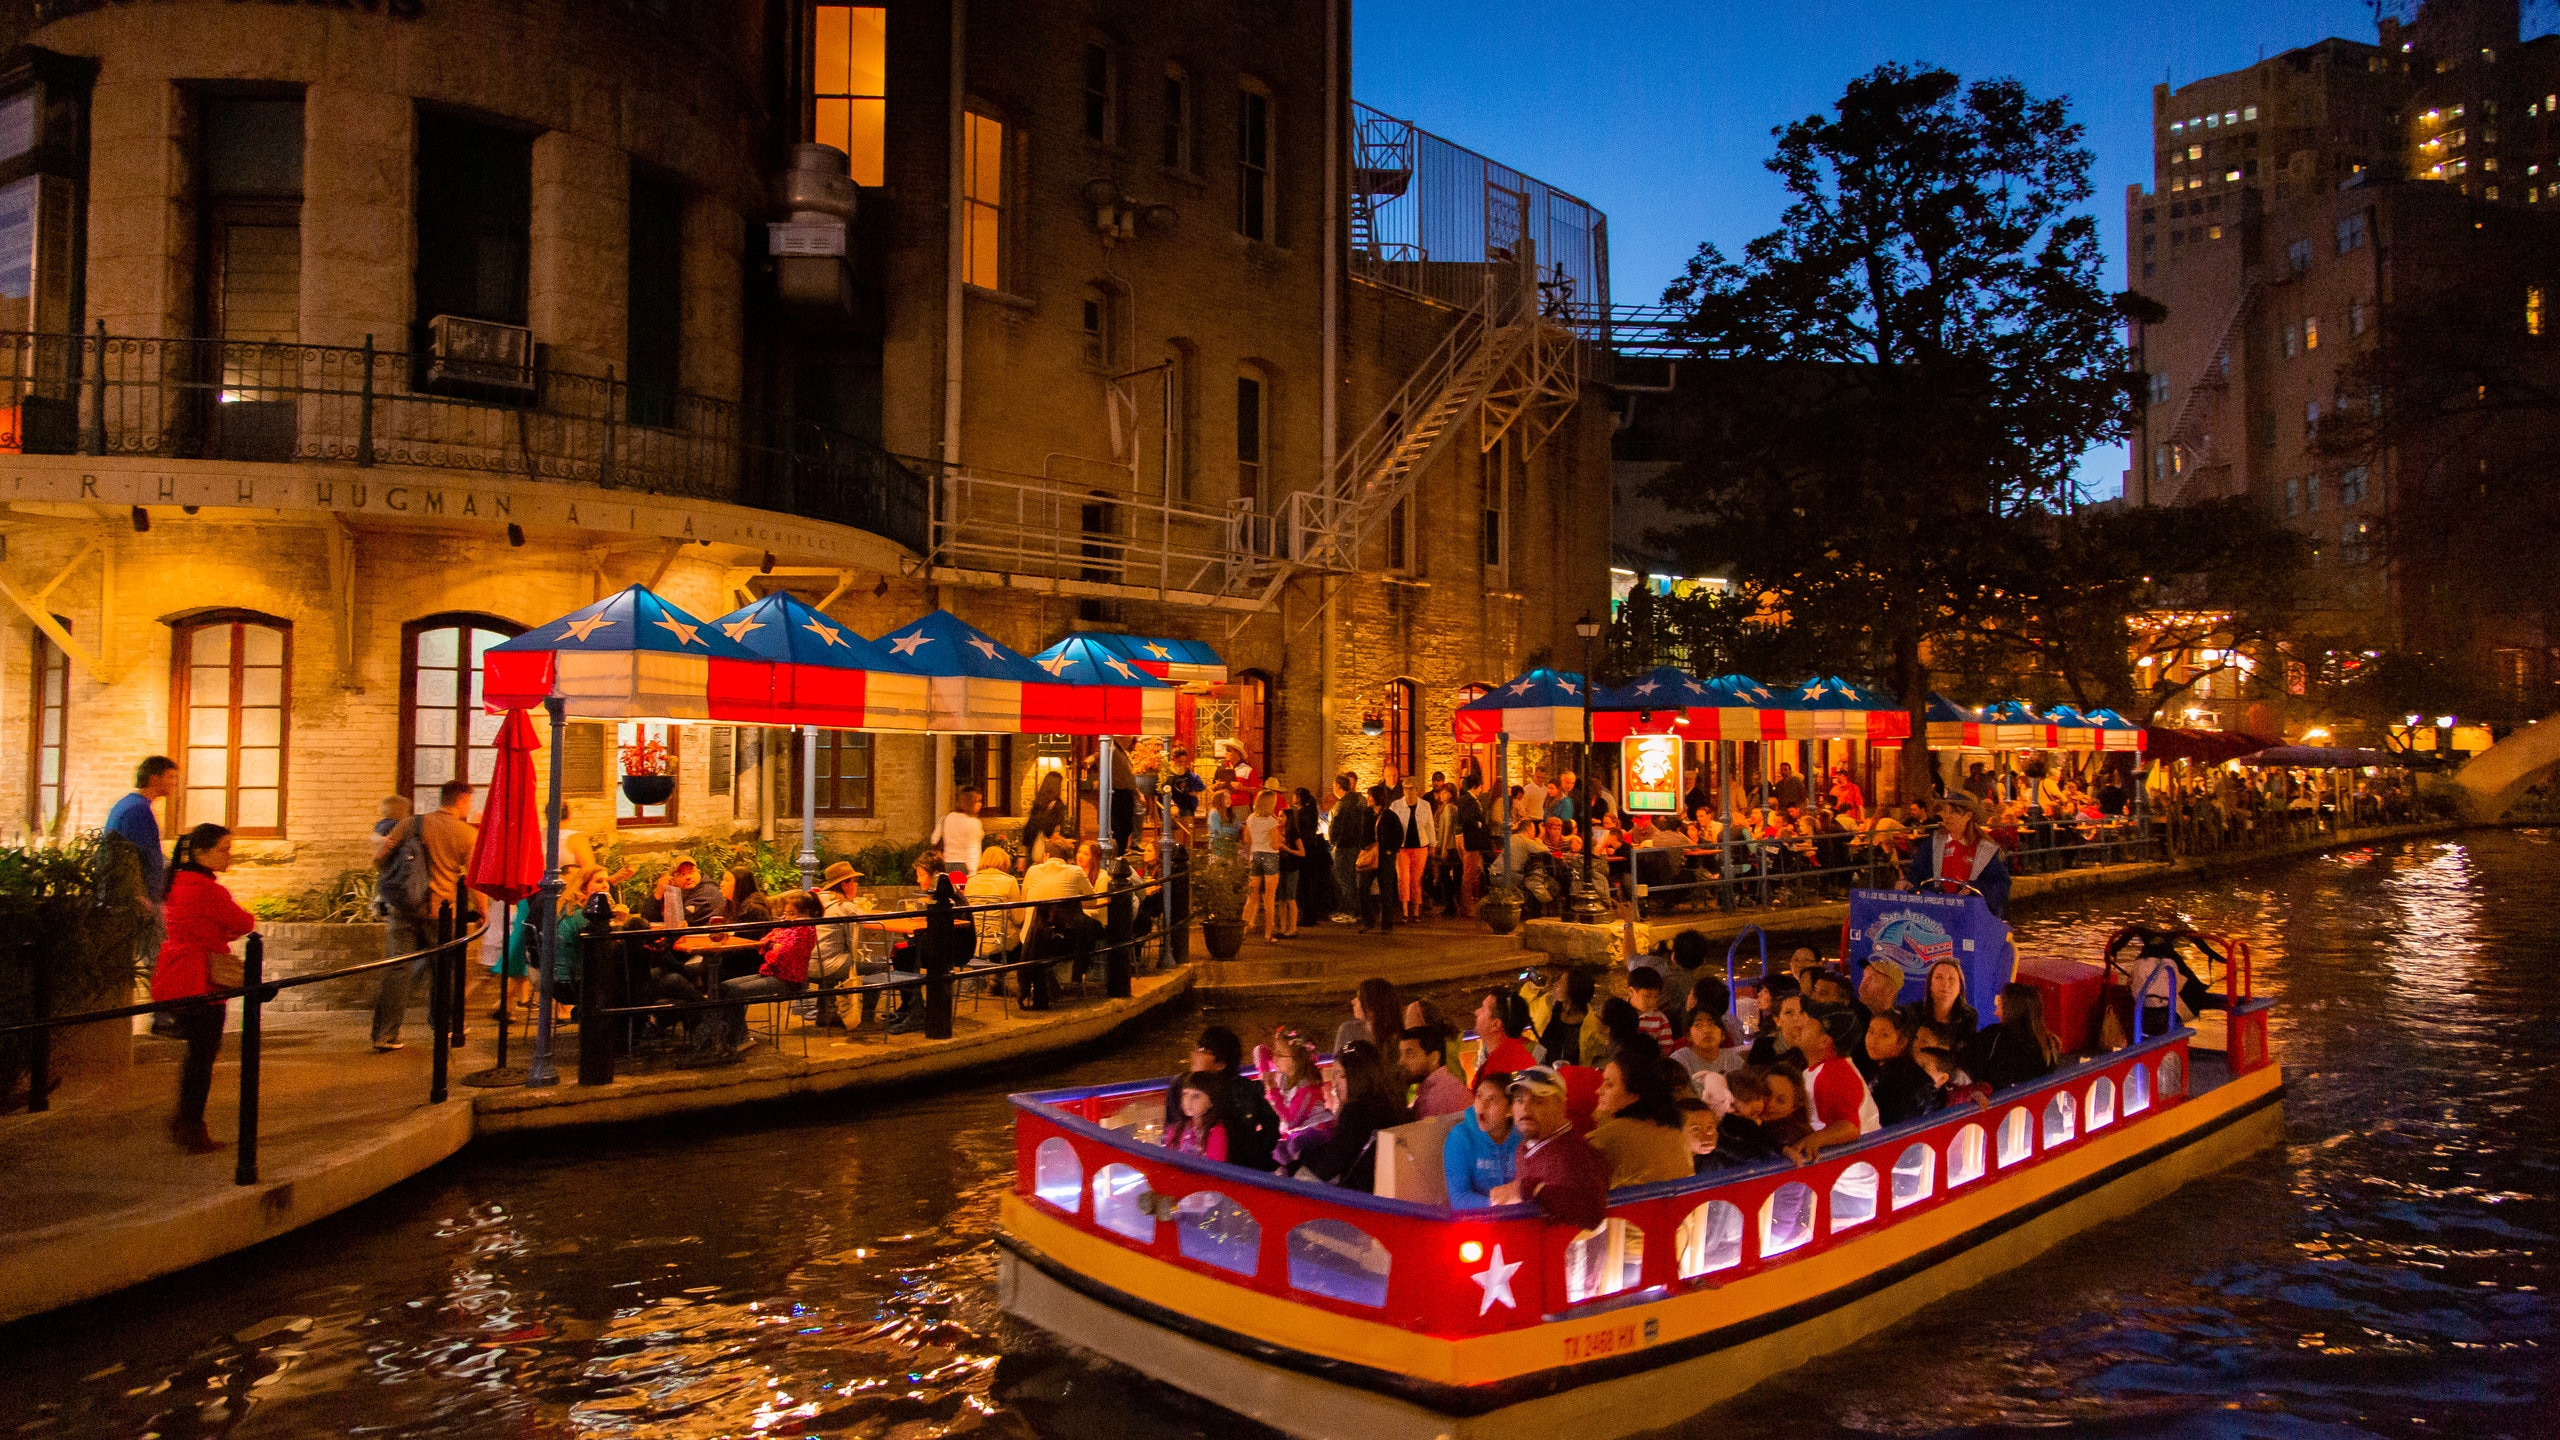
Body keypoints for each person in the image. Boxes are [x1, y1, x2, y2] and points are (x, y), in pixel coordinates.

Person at [150, 822, 254, 1154]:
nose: (229, 856)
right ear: (201, 852)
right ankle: (191, 1126)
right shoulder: (208, 889)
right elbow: (243, 922)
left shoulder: (178, 881)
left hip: (176, 971)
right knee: (202, 1056)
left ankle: (185, 1119)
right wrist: (221, 934)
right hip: (202, 976)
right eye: (224, 849)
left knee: (196, 1054)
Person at [370, 779, 479, 1052]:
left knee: (397, 969)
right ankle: (446, 1025)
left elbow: (380, 857)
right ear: (462, 800)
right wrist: (483, 913)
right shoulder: (466, 834)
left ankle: (385, 1034)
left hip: (404, 908)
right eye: (469, 800)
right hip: (442, 912)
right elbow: (475, 879)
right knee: (446, 971)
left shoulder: (411, 823)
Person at [1488, 1067, 1609, 1230]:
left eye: (1538, 1101)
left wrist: (1530, 1189)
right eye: (1519, 1100)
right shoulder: (1523, 1149)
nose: (1525, 1108)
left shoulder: (1575, 1152)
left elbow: (1593, 1214)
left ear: (1562, 1106)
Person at [110, 757, 180, 1035]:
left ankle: (164, 1017)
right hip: (143, 898)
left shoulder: (130, 807)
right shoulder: (138, 811)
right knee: (158, 958)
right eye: (171, 778)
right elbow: (137, 857)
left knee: (156, 957)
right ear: (155, 778)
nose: (175, 784)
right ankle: (164, 1020)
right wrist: (143, 895)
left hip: (140, 895)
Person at [712, 890, 817, 1051]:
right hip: (771, 972)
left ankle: (737, 1040)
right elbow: (764, 942)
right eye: (785, 913)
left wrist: (773, 946)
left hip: (788, 980)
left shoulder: (805, 929)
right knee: (725, 986)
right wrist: (773, 946)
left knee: (735, 990)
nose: (787, 917)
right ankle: (732, 1036)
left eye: (792, 913)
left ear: (805, 914)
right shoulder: (787, 926)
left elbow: (780, 955)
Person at [1778, 995, 1878, 1163]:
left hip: (1853, 1180)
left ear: (1824, 1041)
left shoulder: (1835, 1072)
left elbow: (1849, 1128)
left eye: (1809, 1022)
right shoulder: (1819, 1069)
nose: (1801, 1024)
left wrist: (1812, 1140)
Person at [1298, 1040, 1406, 1189]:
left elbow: (1328, 1167)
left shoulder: (1356, 1113)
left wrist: (1301, 1158)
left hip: (1359, 1199)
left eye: (1340, 1076)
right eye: (1333, 1075)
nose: (1334, 1083)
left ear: (1359, 1076)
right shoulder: (1393, 1103)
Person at [1897, 790, 2012, 917]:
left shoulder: (1986, 850)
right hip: (1935, 914)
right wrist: (1907, 881)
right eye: (1946, 812)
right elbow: (1917, 873)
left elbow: (2001, 886)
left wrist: (1975, 889)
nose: (1948, 817)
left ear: (1968, 816)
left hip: (1972, 915)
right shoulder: (1931, 845)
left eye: (1954, 812)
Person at [1587, 1052, 1694, 1187]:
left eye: (1609, 1085)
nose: (1599, 1090)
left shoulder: (1604, 1140)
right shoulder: (1674, 1131)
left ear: (1634, 1095)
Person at [1254, 1029, 1334, 1168]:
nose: (1275, 1059)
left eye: (1279, 1055)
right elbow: (1259, 1051)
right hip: (1293, 1132)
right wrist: (1266, 1070)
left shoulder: (1307, 1088)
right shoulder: (1286, 1073)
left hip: (1312, 1132)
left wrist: (1272, 1089)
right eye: (1275, 1053)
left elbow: (1291, 1121)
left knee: (1288, 1148)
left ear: (1296, 1060)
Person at [1443, 1069, 1521, 1208]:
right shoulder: (1460, 1137)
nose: (1482, 1106)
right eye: (1479, 1096)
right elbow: (1459, 1198)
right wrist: (1500, 1206)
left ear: (1510, 1108)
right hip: (1477, 1222)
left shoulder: (1523, 1135)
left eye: (1492, 1100)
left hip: (1520, 1218)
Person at [804, 861, 869, 1028]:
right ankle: (864, 1016)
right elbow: (855, 945)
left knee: (835, 955)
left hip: (805, 965)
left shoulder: (817, 901)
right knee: (876, 965)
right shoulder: (845, 907)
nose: (856, 884)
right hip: (827, 966)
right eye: (854, 881)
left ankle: (826, 1011)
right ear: (845, 885)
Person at [1975, 981, 2062, 1090]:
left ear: (2011, 1008)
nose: (1995, 1013)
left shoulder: (1996, 1036)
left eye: (1999, 1004)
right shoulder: (2049, 1043)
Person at [1864, 1008, 1936, 1126]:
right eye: (1871, 1031)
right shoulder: (1882, 1070)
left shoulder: (1895, 1079)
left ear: (1902, 1042)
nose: (1873, 1040)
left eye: (1884, 1035)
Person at [1398, 1024, 1470, 1118]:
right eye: (1401, 1054)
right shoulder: (1444, 1085)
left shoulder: (1437, 1098)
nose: (1401, 1062)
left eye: (1409, 1053)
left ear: (1434, 1058)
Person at [1538, 969, 1604, 1069]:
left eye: (1560, 982)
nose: (1555, 984)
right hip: (1541, 1072)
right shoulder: (1549, 1009)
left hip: (1571, 1079)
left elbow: (1596, 1061)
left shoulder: (1593, 1027)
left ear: (1571, 992)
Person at [1327, 772, 1370, 925]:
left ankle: (1350, 911)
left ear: (1338, 786)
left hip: (1344, 847)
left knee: (1344, 879)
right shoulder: (1359, 802)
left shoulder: (1343, 804)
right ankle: (1354, 910)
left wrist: (1335, 842)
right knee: (1351, 879)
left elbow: (1337, 827)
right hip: (1356, 845)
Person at [1360, 783, 1404, 932]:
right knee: (1363, 888)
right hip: (1370, 855)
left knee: (1386, 891)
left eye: (1370, 796)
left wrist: (1391, 850)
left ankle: (1387, 925)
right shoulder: (1366, 813)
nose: (1368, 798)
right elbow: (1362, 832)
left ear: (1377, 798)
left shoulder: (1389, 816)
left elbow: (1399, 834)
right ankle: (1369, 921)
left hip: (1385, 857)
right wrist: (1363, 846)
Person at [1472, 988, 1538, 1083]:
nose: (1476, 1012)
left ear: (1495, 1025)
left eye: (1483, 1009)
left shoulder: (1532, 1059)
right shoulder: (1485, 1055)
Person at [1162, 1073, 1233, 1161]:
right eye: (1185, 1094)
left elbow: (1214, 1167)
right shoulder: (1177, 1129)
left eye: (1196, 1096)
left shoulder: (1216, 1132)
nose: (1188, 1101)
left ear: (1210, 1102)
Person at [1243, 789, 1283, 942]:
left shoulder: (1251, 818)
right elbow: (1274, 844)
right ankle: (1268, 933)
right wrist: (1281, 841)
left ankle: (1243, 929)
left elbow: (1246, 839)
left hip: (1255, 855)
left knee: (1251, 896)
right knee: (1269, 898)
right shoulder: (1272, 822)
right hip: (1270, 857)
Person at [1334, 976, 1401, 1057]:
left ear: (1373, 1005)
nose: (1353, 1001)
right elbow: (1339, 1064)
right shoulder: (1348, 1030)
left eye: (1359, 998)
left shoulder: (1396, 1039)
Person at [932, 787, 986, 881]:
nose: (980, 804)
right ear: (969, 803)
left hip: (947, 864)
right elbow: (973, 848)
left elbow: (934, 839)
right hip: (964, 866)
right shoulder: (973, 822)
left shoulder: (946, 818)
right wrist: (973, 872)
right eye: (978, 801)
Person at [655, 856, 724, 927]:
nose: (688, 877)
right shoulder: (682, 891)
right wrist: (658, 895)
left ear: (699, 872)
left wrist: (671, 894)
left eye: (691, 872)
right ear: (674, 880)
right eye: (681, 874)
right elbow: (649, 917)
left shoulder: (709, 890)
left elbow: (679, 920)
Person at [1273, 797, 1306, 938]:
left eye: (1281, 816)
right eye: (1278, 816)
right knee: (1281, 898)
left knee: (1291, 897)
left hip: (1292, 867)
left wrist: (1287, 849)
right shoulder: (1279, 832)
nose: (1279, 819)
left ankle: (1293, 928)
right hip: (1281, 867)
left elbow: (1302, 852)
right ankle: (1283, 927)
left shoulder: (1294, 834)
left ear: (1288, 818)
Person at [1627, 967, 1676, 1056]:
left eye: (1655, 997)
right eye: (1647, 996)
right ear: (1631, 992)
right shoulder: (1619, 1013)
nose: (1652, 1001)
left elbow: (1666, 1049)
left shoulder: (1660, 1019)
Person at [1023, 771, 1070, 861]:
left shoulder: (1038, 803)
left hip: (1034, 849)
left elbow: (1029, 829)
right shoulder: (1057, 806)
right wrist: (1066, 842)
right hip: (1051, 853)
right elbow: (1052, 832)